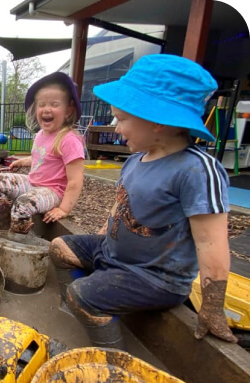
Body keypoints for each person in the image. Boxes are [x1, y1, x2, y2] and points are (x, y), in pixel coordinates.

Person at [49, 54, 238, 350]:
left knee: (82, 294)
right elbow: (120, 205)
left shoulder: (197, 170)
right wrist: (101, 234)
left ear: (157, 120)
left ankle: (112, 359)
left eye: (122, 119)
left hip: (154, 276)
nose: (116, 128)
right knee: (60, 247)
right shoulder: (136, 160)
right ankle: (76, 315)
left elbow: (211, 243)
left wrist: (212, 308)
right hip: (115, 254)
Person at [0, 72, 85, 234]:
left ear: (68, 110)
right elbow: (40, 157)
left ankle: (19, 237)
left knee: (23, 203)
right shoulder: (41, 134)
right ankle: (1, 225)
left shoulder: (68, 139)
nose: (47, 109)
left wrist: (64, 209)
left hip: (53, 191)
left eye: (54, 104)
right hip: (33, 184)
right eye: (42, 104)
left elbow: (76, 180)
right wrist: (22, 162)